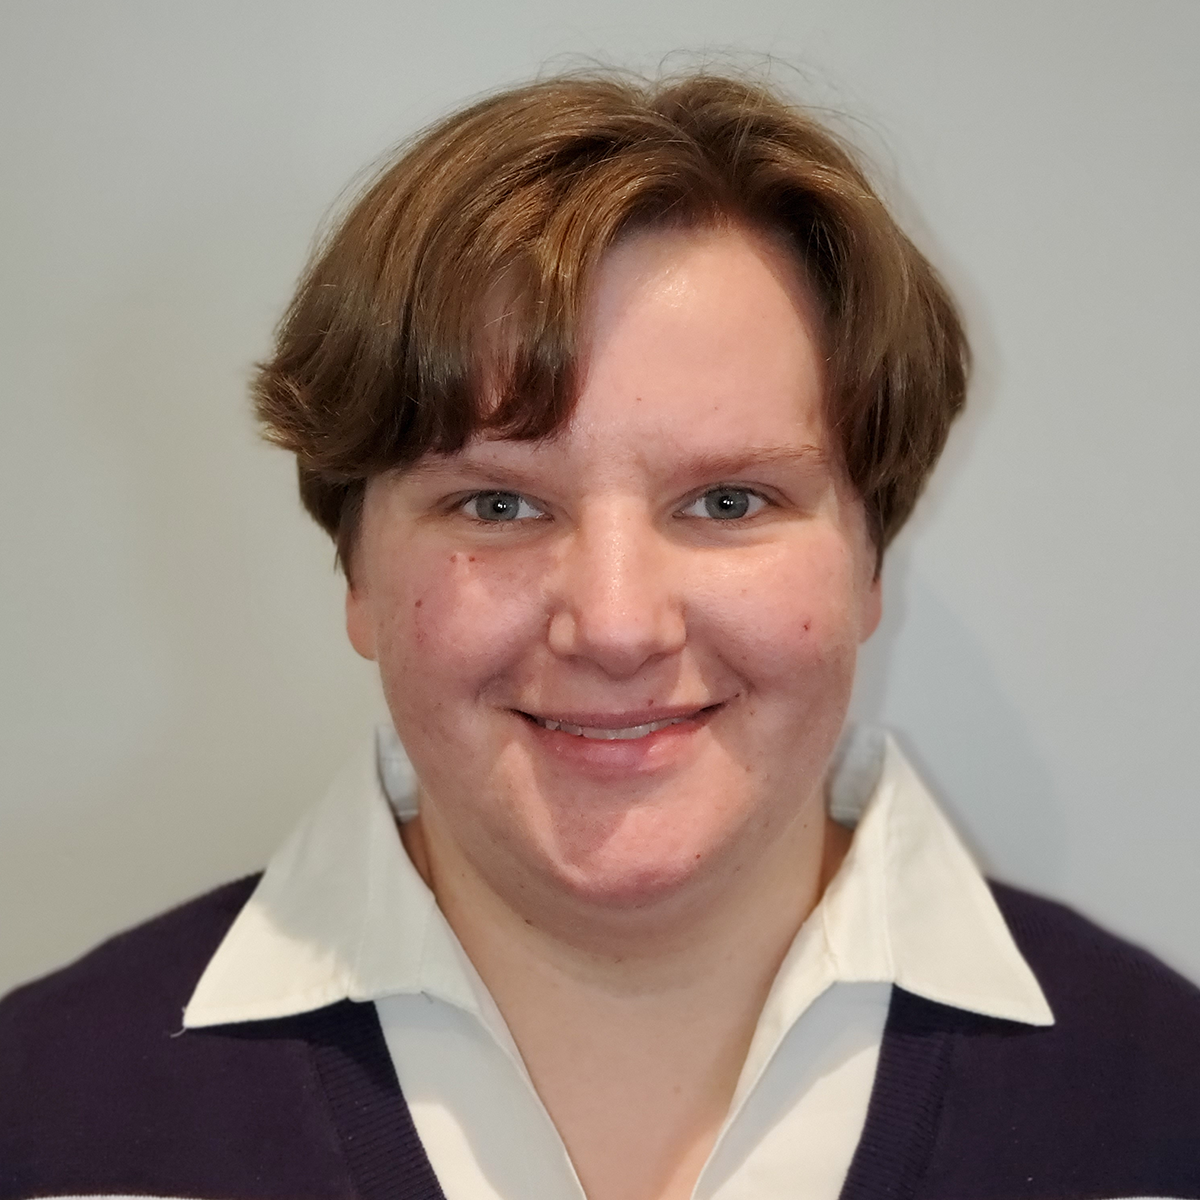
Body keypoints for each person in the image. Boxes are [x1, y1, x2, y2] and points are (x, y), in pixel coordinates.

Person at [2, 70, 1198, 1200]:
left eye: (727, 501)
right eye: (498, 504)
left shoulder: (1163, 1110)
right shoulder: (43, 1119)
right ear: (357, 573)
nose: (618, 627)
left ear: (868, 559)